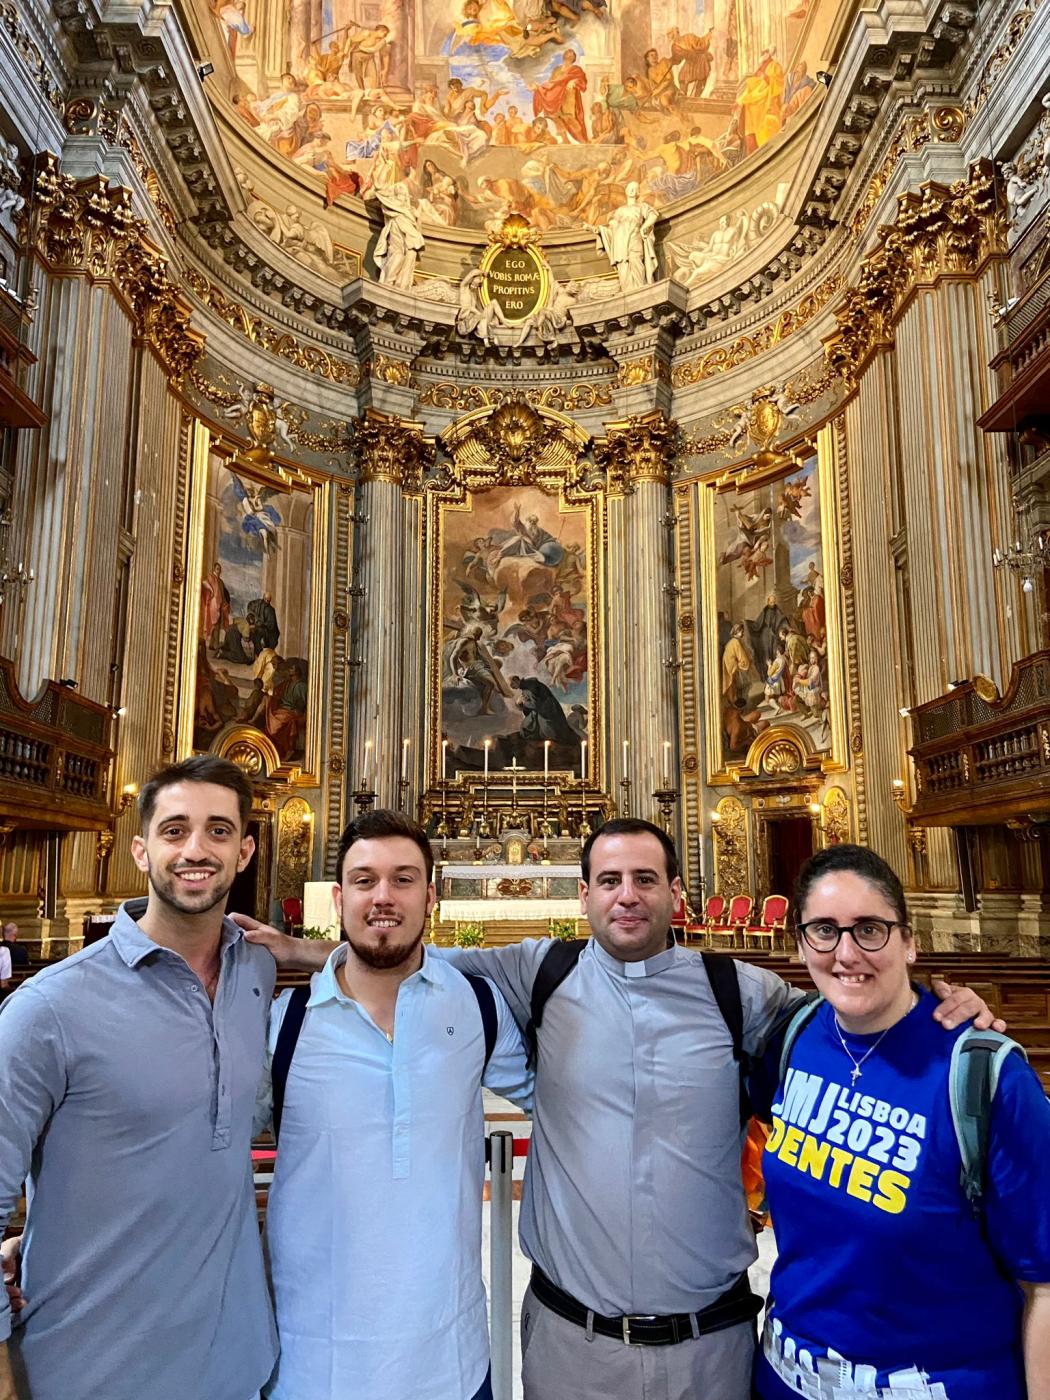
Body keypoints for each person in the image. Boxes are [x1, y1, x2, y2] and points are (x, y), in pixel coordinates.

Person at [246, 820, 999, 1400]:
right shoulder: (537, 971)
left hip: (712, 1342)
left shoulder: (740, 990)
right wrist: (309, 952)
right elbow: (403, 956)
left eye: (645, 878)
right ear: (584, 896)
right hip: (573, 1346)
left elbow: (849, 1013)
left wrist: (939, 995)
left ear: (677, 891)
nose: (627, 895)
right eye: (609, 880)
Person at [0, 756, 277, 1400]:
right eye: (175, 830)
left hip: (237, 1361)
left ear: (245, 850)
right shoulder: (48, 1009)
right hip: (90, 1366)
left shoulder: (255, 975)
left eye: (218, 830)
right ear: (141, 850)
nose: (196, 850)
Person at [753, 843, 1050, 1400]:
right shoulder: (793, 1038)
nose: (846, 952)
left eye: (870, 929)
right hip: (786, 1378)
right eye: (823, 930)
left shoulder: (987, 1076)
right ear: (799, 944)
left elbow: (1046, 1283)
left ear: (909, 941)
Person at [257, 810, 531, 1400]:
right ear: (338, 897)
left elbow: (575, 1102)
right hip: (313, 1362)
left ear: (431, 895)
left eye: (404, 879)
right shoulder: (281, 1025)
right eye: (365, 880)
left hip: (451, 1360)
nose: (384, 897)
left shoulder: (478, 1007)